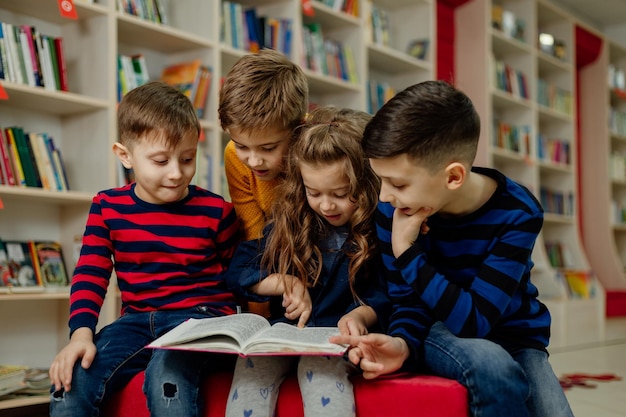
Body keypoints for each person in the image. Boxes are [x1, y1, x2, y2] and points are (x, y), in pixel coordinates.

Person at [330, 80, 574, 417]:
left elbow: (476, 320)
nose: (383, 196)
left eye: (398, 183)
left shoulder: (519, 213)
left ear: (454, 176)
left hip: (513, 335)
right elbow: (407, 301)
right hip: (436, 328)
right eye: (380, 179)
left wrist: (407, 252)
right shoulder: (395, 208)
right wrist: (402, 343)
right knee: (492, 367)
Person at [48, 81, 241, 417]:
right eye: (161, 160)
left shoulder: (217, 212)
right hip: (136, 322)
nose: (176, 173)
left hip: (201, 320)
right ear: (125, 155)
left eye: (187, 158)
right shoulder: (107, 207)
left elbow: (239, 276)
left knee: (166, 377)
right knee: (72, 380)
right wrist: (81, 334)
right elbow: (90, 273)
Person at [224, 107, 391, 417]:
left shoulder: (379, 231)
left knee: (320, 369)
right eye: (314, 192)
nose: (326, 205)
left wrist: (362, 316)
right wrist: (284, 282)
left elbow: (388, 295)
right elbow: (238, 270)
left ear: (366, 185)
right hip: (286, 333)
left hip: (335, 340)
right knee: (252, 363)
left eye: (341, 193)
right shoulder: (293, 219)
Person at [218, 48, 309, 241]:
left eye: (268, 148)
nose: (254, 161)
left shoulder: (316, 147)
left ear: (299, 129)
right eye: (242, 145)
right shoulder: (234, 155)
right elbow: (253, 235)